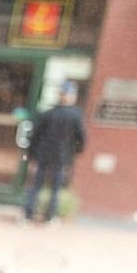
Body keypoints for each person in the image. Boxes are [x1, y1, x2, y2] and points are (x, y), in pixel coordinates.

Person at [23, 82, 86, 223]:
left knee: (36, 185)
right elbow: (81, 138)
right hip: (61, 156)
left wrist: (32, 154)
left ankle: (29, 214)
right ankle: (49, 217)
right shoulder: (75, 116)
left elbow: (35, 136)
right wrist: (74, 153)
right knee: (55, 187)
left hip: (43, 155)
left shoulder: (47, 114)